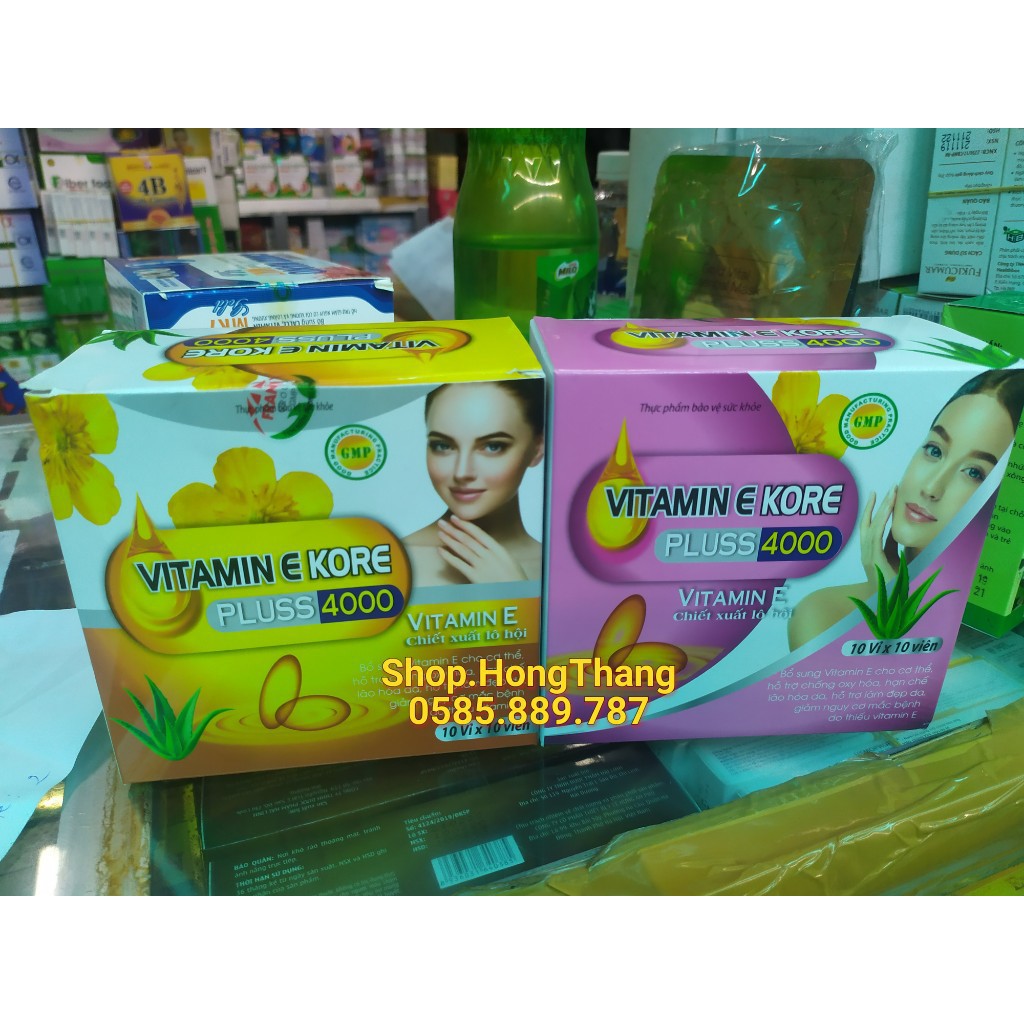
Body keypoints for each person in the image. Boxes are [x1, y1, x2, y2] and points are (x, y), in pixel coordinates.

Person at [788, 369, 1024, 650]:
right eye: (935, 450)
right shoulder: (824, 614)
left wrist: (896, 608)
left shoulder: (991, 627)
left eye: (974, 472)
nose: (932, 487)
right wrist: (889, 599)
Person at [403, 378, 544, 585]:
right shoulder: (391, 563)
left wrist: (513, 590)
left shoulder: (560, 568)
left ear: (538, 448)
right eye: (443, 446)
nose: (462, 472)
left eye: (493, 446)